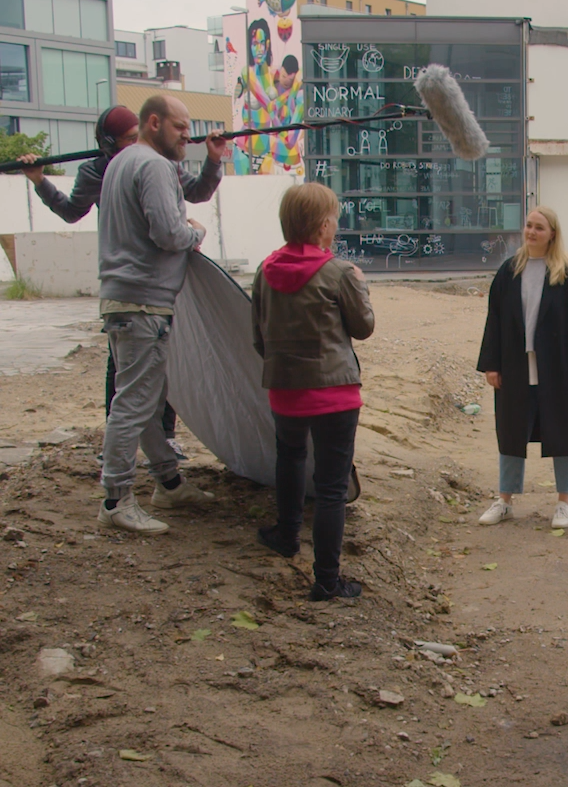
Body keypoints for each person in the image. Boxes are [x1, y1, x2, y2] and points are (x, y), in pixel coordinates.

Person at [22, 103, 226, 442]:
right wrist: (40, 181)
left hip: (156, 282)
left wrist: (214, 160)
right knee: (126, 379)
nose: (136, 144)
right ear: (108, 143)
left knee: (158, 369)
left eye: (137, 137)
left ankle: (163, 444)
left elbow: (199, 192)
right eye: (128, 139)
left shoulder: (163, 164)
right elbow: (73, 211)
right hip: (133, 283)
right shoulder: (100, 171)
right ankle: (119, 460)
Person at [96, 92, 230, 535]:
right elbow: (168, 232)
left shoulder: (122, 161)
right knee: (133, 404)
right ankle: (116, 500)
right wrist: (195, 232)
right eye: (180, 128)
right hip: (141, 303)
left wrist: (211, 164)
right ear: (153, 122)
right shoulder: (152, 165)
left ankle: (168, 483)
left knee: (147, 400)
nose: (186, 137)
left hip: (127, 300)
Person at [250, 182, 374, 603]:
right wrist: (361, 284)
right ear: (323, 226)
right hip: (335, 394)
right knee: (332, 487)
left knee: (289, 459)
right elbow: (363, 327)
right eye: (335, 220)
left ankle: (286, 535)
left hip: (284, 391)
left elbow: (258, 337)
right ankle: (326, 580)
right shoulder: (339, 273)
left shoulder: (264, 270)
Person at [476, 204, 568, 530]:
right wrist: (491, 363)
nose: (531, 232)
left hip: (558, 368)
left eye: (539, 227)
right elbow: (495, 320)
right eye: (529, 226)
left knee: (564, 432)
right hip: (517, 366)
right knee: (512, 432)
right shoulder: (510, 270)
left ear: (552, 234)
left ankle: (563, 503)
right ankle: (504, 501)